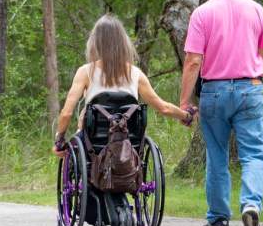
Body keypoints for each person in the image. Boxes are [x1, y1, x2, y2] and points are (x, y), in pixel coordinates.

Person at [179, 0, 263, 226]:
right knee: (254, 153)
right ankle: (251, 205)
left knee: (217, 154)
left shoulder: (203, 14)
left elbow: (194, 60)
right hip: (250, 87)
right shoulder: (256, 9)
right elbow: (262, 52)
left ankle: (218, 218)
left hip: (215, 91)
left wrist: (185, 102)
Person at [53, 14, 194, 152]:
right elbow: (164, 108)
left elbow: (67, 113)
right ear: (123, 42)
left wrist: (59, 140)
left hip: (94, 144)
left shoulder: (85, 72)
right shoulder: (136, 74)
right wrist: (186, 116)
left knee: (76, 137)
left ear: (95, 42)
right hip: (129, 143)